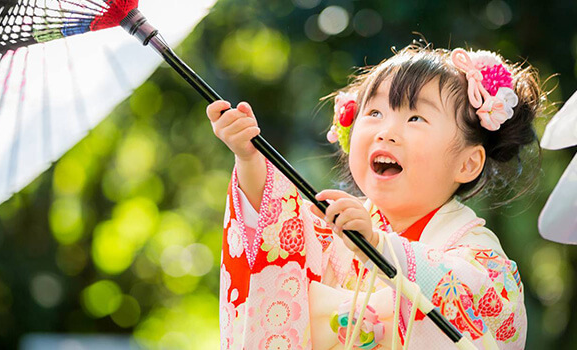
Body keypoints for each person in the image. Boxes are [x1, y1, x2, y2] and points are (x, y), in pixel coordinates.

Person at [207, 43, 541, 349]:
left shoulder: (475, 252)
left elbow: (492, 306)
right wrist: (250, 160)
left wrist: (380, 247)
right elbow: (274, 233)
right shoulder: (332, 228)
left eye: (415, 117)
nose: (386, 132)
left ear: (467, 163)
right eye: (375, 113)